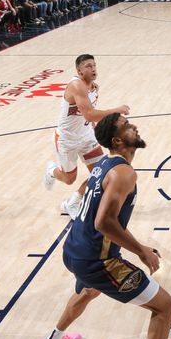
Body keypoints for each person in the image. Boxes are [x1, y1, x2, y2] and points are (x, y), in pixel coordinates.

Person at [37, 113, 171, 339]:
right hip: (97, 260)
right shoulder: (123, 173)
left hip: (74, 250)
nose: (135, 126)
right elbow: (104, 222)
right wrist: (142, 250)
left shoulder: (104, 165)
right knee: (164, 306)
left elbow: (90, 201)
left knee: (88, 291)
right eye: (127, 125)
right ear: (118, 140)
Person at [43, 54, 130, 218]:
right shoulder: (76, 86)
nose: (93, 68)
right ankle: (52, 171)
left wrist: (94, 130)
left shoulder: (94, 88)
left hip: (87, 137)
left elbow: (89, 117)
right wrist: (117, 109)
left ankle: (73, 202)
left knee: (100, 172)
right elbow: (90, 114)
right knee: (69, 179)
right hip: (67, 139)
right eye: (88, 66)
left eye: (94, 65)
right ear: (79, 71)